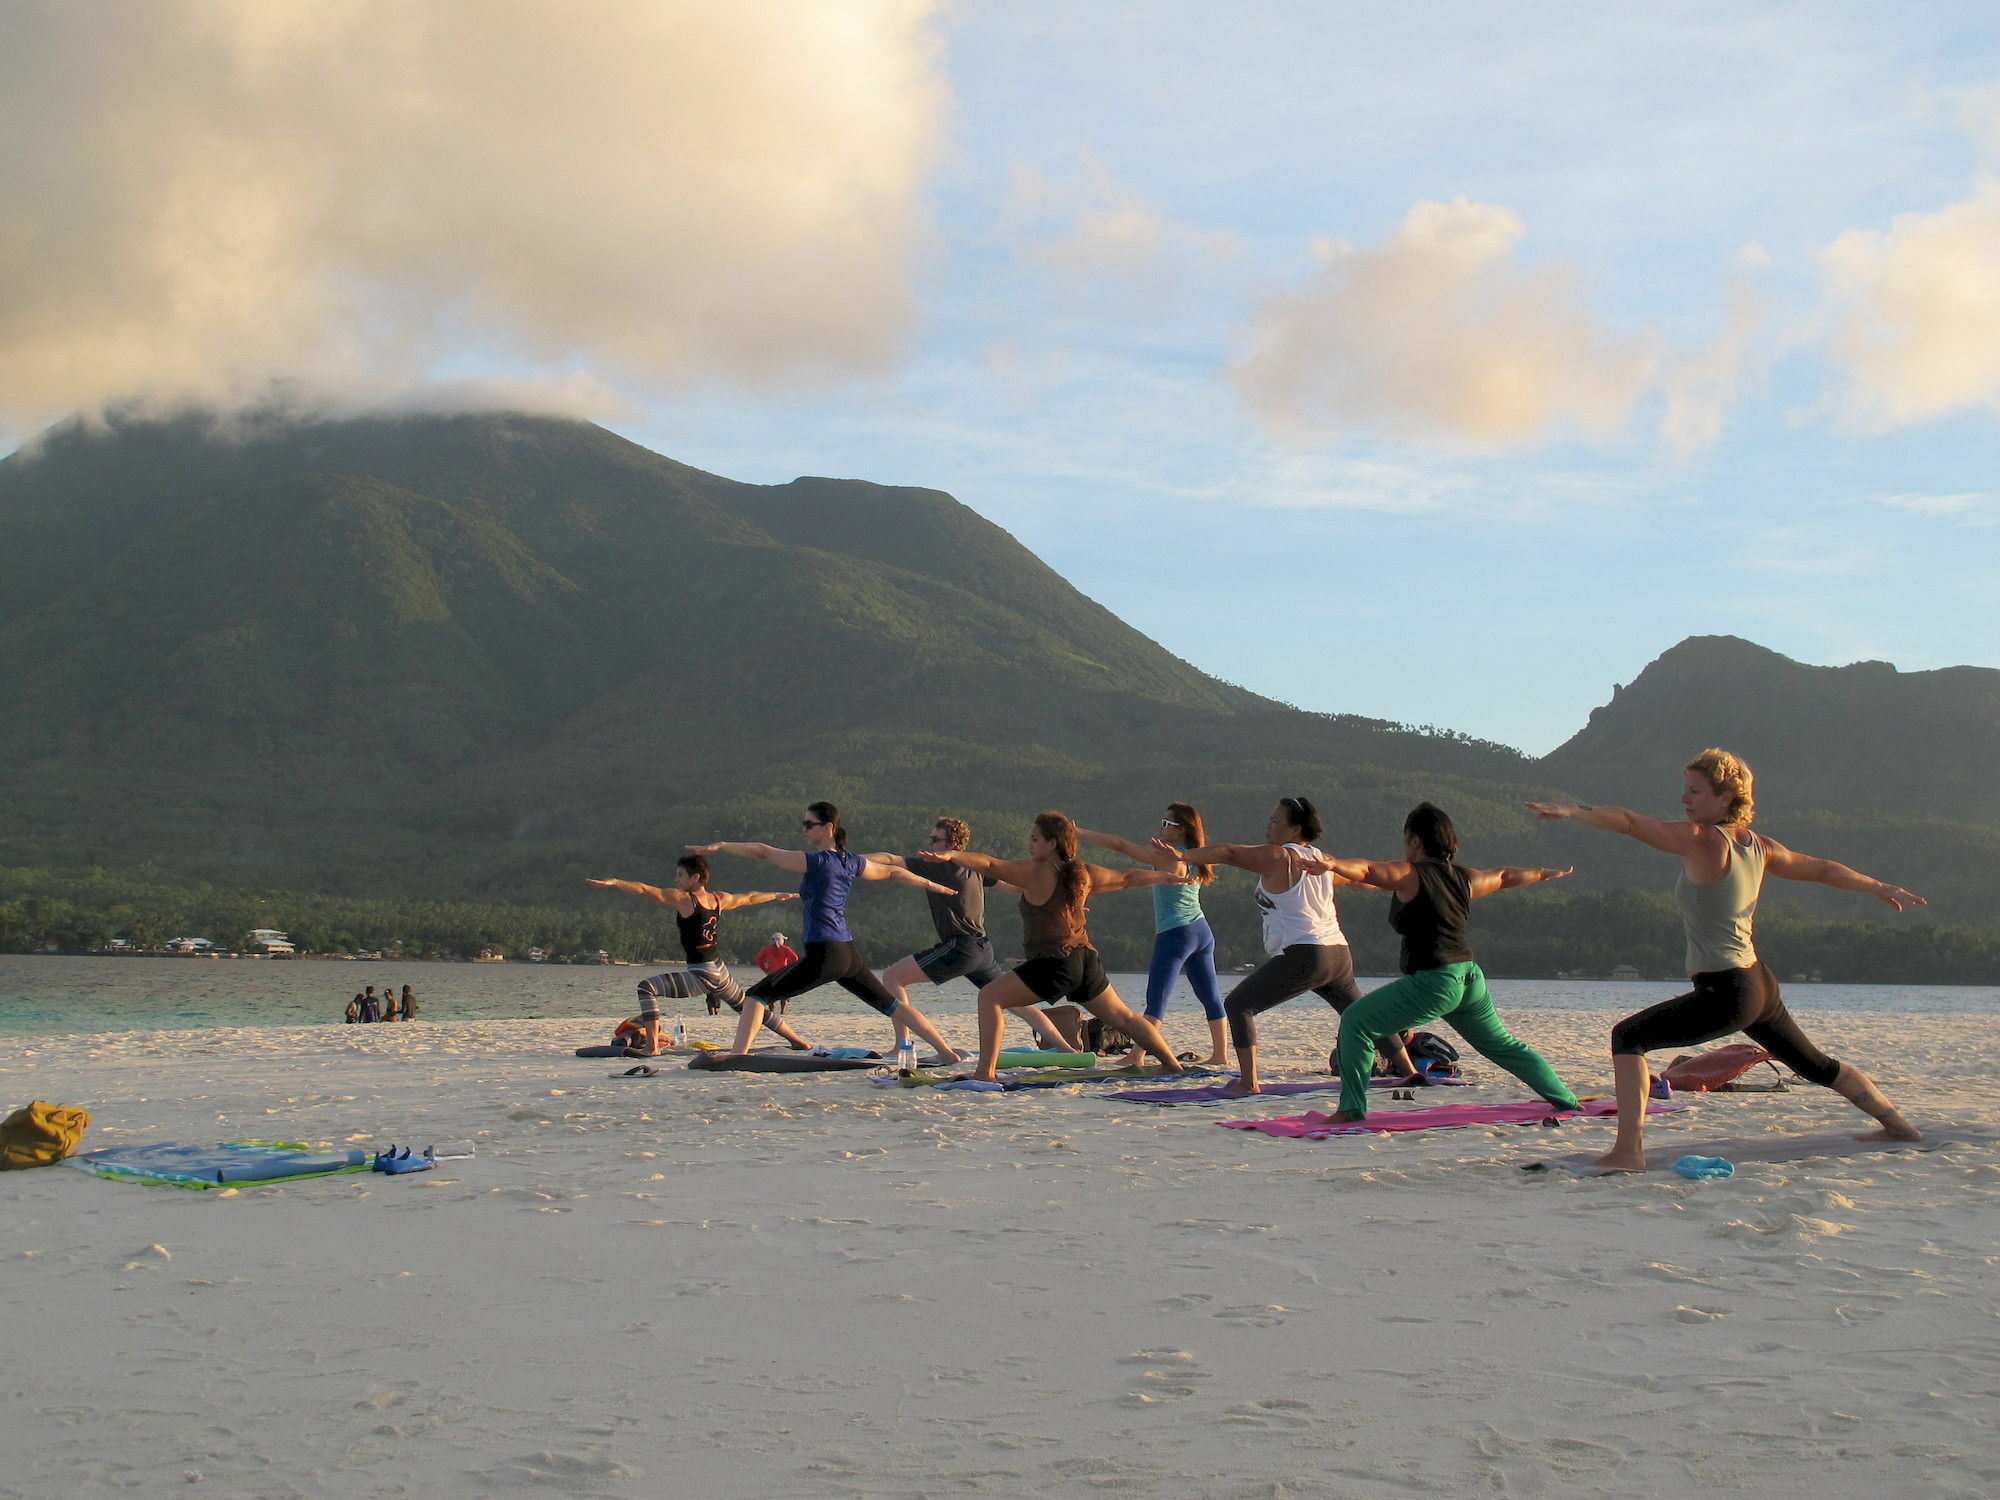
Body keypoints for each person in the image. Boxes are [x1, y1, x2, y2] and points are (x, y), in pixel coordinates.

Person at [1528, 748, 1924, 1169]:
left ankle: (1628, 1152)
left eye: (1695, 791)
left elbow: (1628, 822)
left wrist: (1571, 811)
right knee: (1815, 1065)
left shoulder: (1703, 840)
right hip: (1757, 983)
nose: (1685, 800)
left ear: (1726, 798)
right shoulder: (1761, 847)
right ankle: (1899, 1126)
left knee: (1629, 1038)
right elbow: (1822, 869)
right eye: (1685, 790)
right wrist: (1880, 886)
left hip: (1728, 990)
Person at [1290, 802, 1580, 1124]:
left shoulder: (1411, 873)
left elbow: (1369, 869)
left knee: (1357, 1021)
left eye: (1405, 840)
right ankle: (1566, 1099)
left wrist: (1332, 863)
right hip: (1470, 979)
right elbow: (1503, 876)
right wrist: (1543, 874)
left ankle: (1350, 1110)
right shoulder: (1464, 877)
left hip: (1436, 981)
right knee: (1503, 1046)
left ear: (1414, 840)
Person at [924, 810, 1193, 1083]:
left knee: (989, 998)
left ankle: (985, 1073)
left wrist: (953, 855)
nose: (1030, 844)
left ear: (1052, 844)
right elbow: (1126, 878)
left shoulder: (1036, 872)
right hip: (1084, 961)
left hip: (1054, 963)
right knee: (1123, 1017)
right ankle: (1171, 1064)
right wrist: (1165, 878)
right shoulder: (1083, 872)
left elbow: (991, 866)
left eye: (1035, 839)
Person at [1172, 796, 1411, 1096]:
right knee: (1362, 1014)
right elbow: (1359, 879)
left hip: (1307, 954)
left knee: (1237, 1005)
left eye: (1275, 821)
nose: (1268, 826)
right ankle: (1409, 1070)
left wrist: (1184, 856)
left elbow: (1230, 853)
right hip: (1337, 954)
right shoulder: (1321, 860)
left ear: (1296, 829)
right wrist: (1404, 882)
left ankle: (1248, 1083)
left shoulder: (1281, 857)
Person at [689, 801, 967, 1057]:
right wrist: (930, 884)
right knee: (893, 1006)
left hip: (825, 953)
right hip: (847, 953)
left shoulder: (816, 862)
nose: (805, 830)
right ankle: (945, 1051)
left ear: (828, 828)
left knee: (756, 996)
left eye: (810, 824)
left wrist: (723, 845)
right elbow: (892, 871)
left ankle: (738, 1057)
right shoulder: (852, 862)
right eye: (804, 824)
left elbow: (763, 852)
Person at [867, 817, 1076, 1062]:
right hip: (982, 949)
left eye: (935, 839)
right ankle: (1066, 1049)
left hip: (960, 947)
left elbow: (890, 860)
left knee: (892, 977)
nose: (930, 844)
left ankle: (906, 1047)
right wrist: (1063, 899)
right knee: (1015, 1003)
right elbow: (1016, 887)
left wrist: (850, 860)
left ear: (953, 843)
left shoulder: (936, 865)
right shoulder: (974, 867)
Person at [588, 854, 809, 1055]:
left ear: (695, 878)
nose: (676, 880)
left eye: (680, 875)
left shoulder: (685, 900)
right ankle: (798, 1041)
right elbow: (749, 898)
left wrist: (616, 883)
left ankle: (652, 1046)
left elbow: (646, 890)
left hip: (702, 972)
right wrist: (776, 895)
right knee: (748, 1006)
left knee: (646, 988)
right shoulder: (718, 899)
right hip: (719, 970)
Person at [1079, 803, 1226, 1066]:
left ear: (1181, 830)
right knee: (1210, 996)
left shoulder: (1169, 857)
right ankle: (1220, 1055)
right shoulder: (1193, 856)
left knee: (1156, 999)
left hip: (1175, 934)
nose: (1162, 826)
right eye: (1163, 821)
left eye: (1168, 823)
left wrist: (1079, 832)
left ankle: (1136, 1056)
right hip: (1201, 931)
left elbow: (1120, 845)